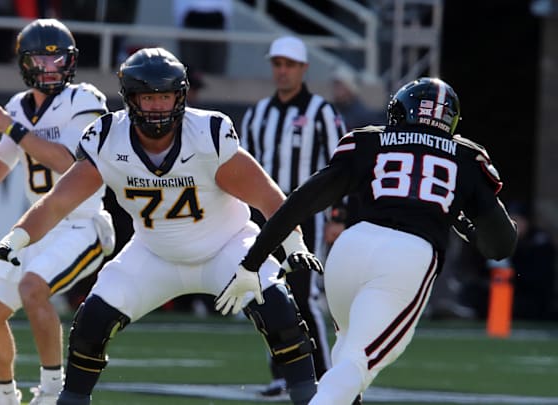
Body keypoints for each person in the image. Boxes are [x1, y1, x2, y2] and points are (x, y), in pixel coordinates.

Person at [0, 47, 320, 405]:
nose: (157, 106)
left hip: (226, 248)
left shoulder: (207, 134)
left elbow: (268, 198)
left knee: (280, 312)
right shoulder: (108, 137)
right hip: (154, 253)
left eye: (165, 96)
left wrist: (293, 246)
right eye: (147, 97)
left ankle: (312, 399)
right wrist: (18, 237)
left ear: (180, 96)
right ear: (129, 99)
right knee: (90, 325)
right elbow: (58, 200)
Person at [220, 77, 518, 404]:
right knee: (357, 365)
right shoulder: (466, 157)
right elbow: (500, 246)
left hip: (350, 250)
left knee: (347, 359)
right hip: (408, 257)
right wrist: (463, 222)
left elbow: (301, 202)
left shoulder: (370, 141)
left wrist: (253, 261)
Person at [0, 19, 115, 405]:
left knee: (32, 289)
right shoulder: (18, 107)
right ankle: (5, 397)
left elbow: (68, 162)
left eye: (58, 58)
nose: (51, 66)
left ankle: (53, 391)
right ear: (25, 63)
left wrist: (10, 127)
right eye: (42, 58)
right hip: (37, 226)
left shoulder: (85, 100)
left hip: (82, 222)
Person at [241, 35, 343, 396]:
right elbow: (244, 166)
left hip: (308, 214)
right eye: (277, 64)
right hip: (265, 213)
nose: (282, 71)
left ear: (303, 69)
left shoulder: (321, 112)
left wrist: (338, 214)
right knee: (264, 291)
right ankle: (284, 374)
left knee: (303, 294)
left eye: (289, 65)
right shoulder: (257, 114)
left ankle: (323, 373)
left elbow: (340, 165)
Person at [330, 66, 384, 131]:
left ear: (349, 88)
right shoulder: (330, 110)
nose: (336, 89)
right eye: (335, 85)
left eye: (339, 85)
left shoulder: (363, 115)